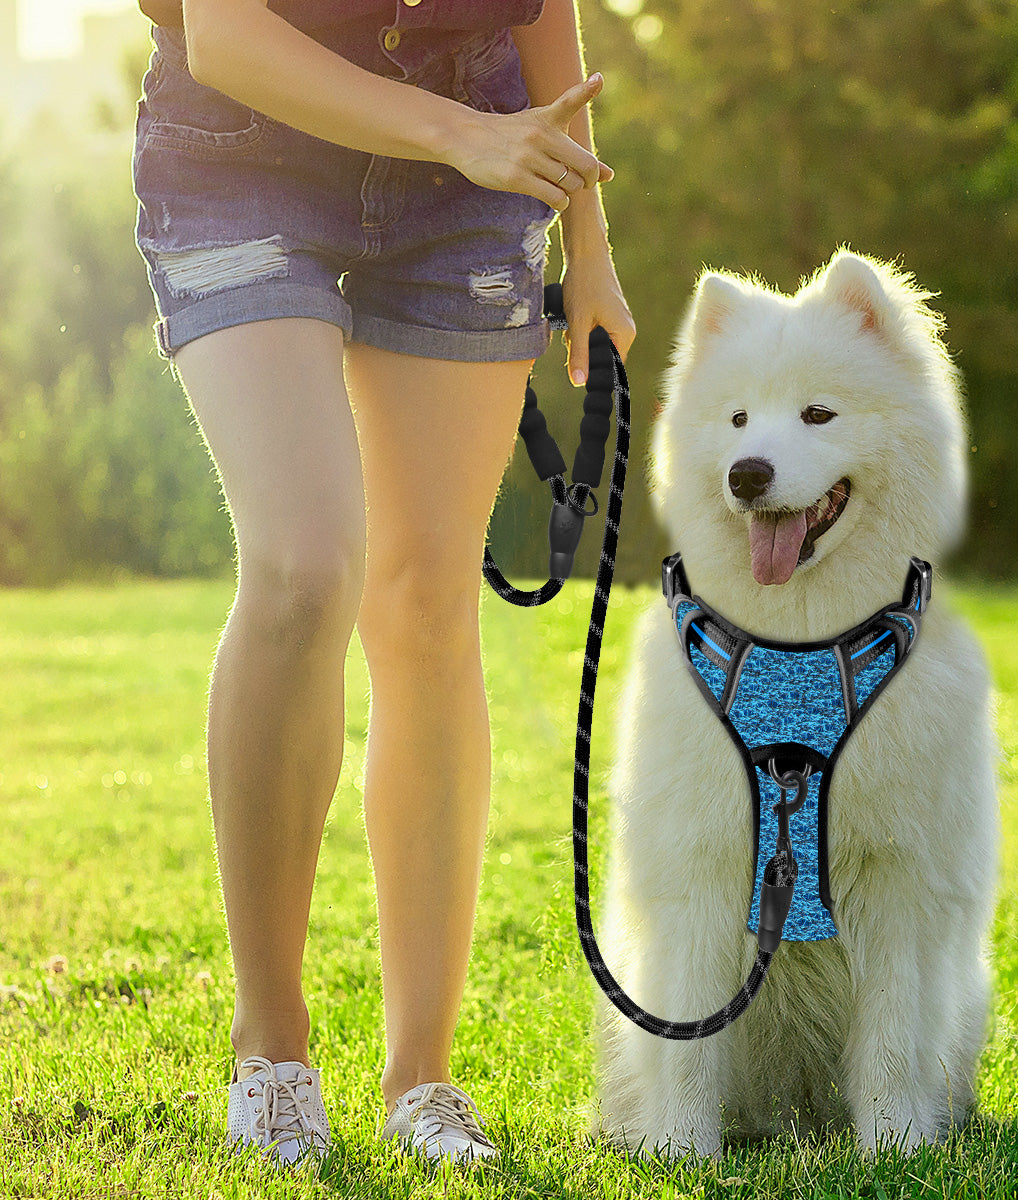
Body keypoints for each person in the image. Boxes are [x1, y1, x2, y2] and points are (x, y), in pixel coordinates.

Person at [131, 0, 635, 1166]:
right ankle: (274, 1047)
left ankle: (424, 1079)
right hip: (241, 149)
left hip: (470, 182)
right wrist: (461, 136)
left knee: (425, 606)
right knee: (307, 568)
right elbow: (227, 36)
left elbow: (542, 9)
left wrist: (590, 241)